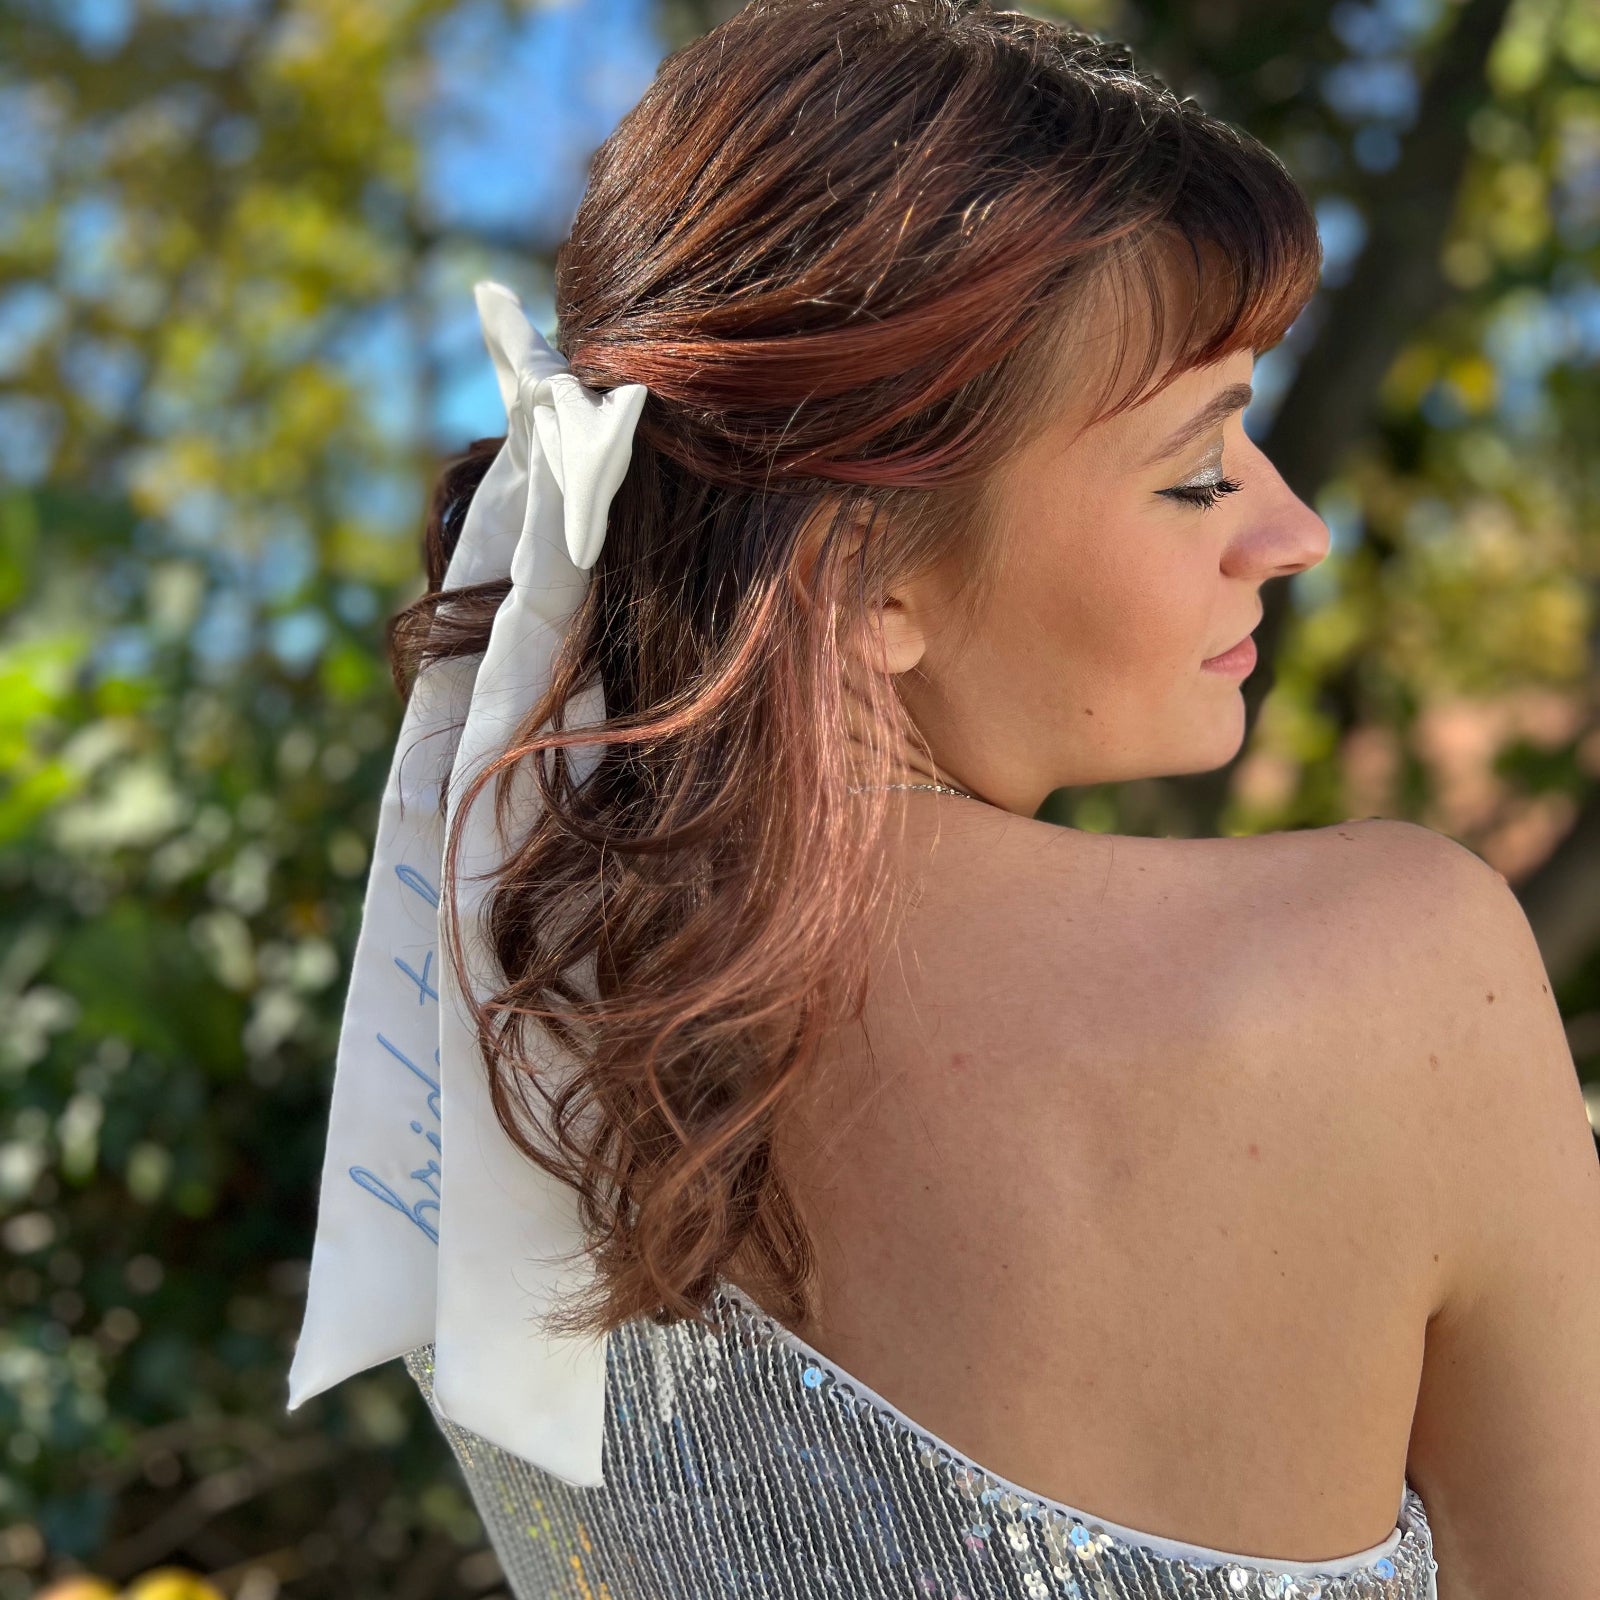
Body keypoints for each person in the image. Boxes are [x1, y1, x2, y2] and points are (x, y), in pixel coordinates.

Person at [289, 2, 1600, 1596]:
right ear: (867, 572)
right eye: (1199, 469)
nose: (1294, 531)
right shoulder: (1397, 968)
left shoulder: (508, 1017)